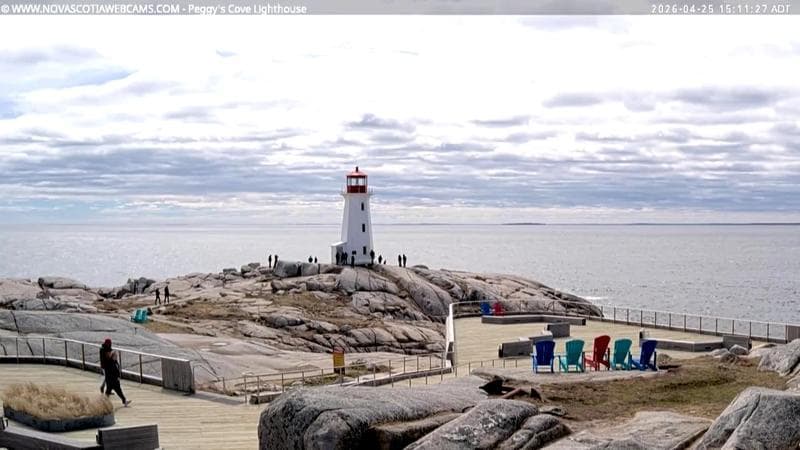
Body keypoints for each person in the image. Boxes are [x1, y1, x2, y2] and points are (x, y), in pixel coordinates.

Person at [100, 339, 130, 406]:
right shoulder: (109, 360)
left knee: (109, 390)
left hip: (111, 378)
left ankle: (123, 401)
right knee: (116, 390)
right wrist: (117, 376)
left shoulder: (112, 361)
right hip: (112, 378)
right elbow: (114, 370)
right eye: (115, 356)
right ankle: (124, 401)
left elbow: (116, 369)